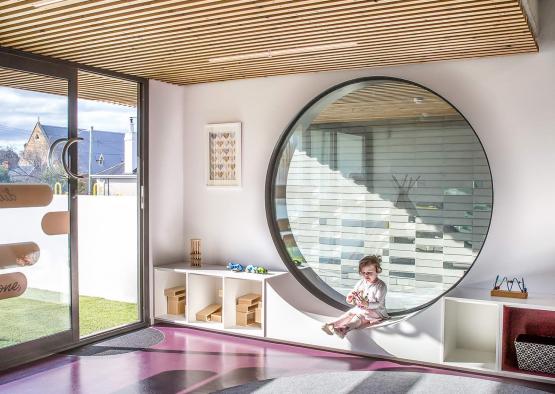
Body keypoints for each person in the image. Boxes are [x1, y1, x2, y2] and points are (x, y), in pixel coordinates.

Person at [321, 255, 389, 338]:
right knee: (350, 313)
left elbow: (378, 304)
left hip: (376, 311)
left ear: (377, 271)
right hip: (362, 308)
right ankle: (331, 325)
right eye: (363, 273)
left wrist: (367, 304)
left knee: (360, 317)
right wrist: (350, 298)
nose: (366, 275)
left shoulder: (381, 286)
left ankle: (344, 329)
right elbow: (354, 293)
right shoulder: (361, 282)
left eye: (369, 273)